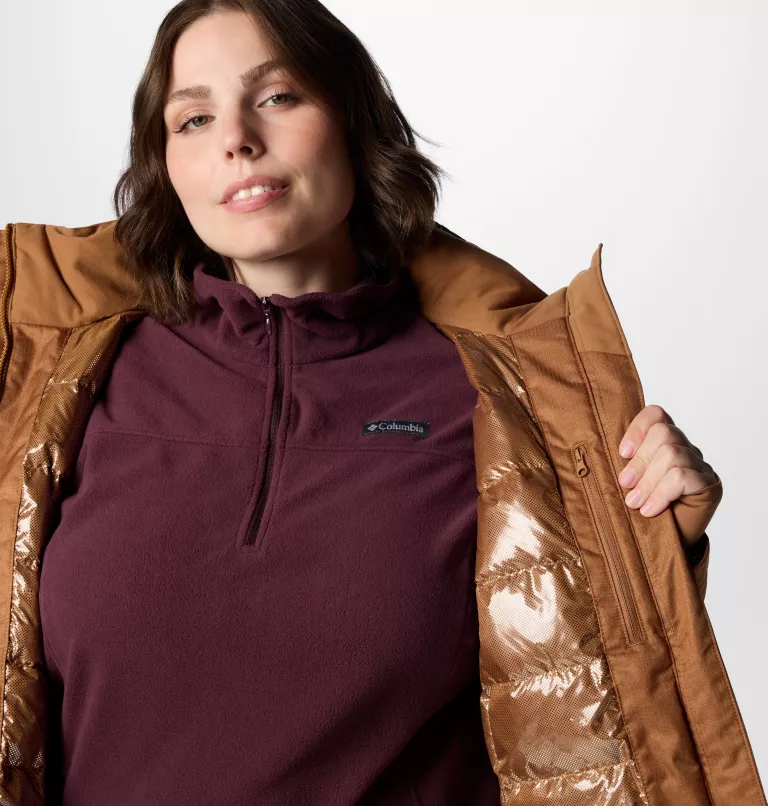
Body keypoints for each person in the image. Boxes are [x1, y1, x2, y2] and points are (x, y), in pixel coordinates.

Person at [0, 1, 764, 804]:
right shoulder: (60, 380)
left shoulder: (504, 401)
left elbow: (579, 717)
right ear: (166, 165)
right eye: (194, 118)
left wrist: (648, 549)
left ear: (353, 120)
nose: (236, 139)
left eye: (276, 97)